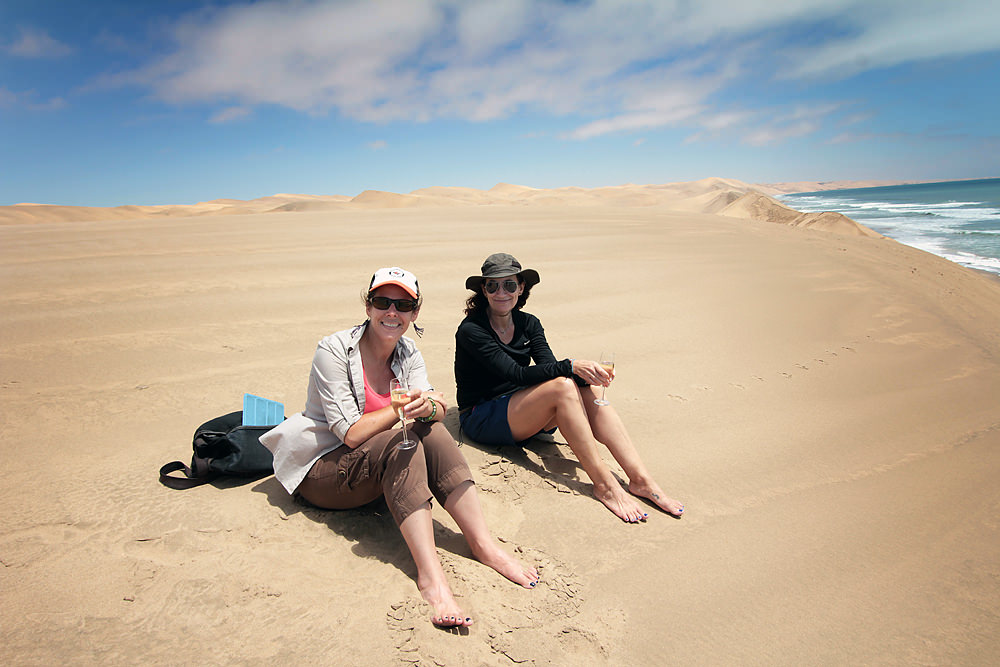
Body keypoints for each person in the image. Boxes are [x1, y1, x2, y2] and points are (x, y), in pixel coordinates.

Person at [261, 267, 538, 627]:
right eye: (382, 302)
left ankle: (482, 544)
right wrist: (403, 408)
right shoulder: (334, 350)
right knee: (403, 442)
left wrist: (430, 407)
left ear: (415, 313)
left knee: (431, 431)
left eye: (403, 305)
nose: (392, 312)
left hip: (370, 464)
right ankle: (432, 579)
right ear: (368, 306)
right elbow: (350, 434)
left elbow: (436, 407)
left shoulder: (408, 352)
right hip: (322, 470)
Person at [454, 253, 685, 524]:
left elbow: (548, 367)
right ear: (484, 290)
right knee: (564, 386)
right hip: (481, 416)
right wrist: (572, 366)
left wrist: (588, 376)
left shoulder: (529, 323)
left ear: (521, 287)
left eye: (509, 284)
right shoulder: (472, 329)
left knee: (587, 390)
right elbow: (516, 373)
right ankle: (605, 486)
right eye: (493, 285)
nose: (501, 292)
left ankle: (641, 479)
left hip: (522, 408)